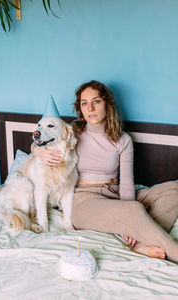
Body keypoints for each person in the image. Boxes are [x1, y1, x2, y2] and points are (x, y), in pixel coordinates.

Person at [34, 80, 178, 263]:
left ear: (107, 103)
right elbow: (40, 139)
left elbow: (126, 182)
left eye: (96, 101)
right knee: (133, 210)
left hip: (114, 192)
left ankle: (140, 242)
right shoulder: (73, 132)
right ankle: (173, 249)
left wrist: (129, 218)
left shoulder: (123, 139)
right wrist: (38, 151)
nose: (90, 108)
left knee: (173, 190)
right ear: (80, 108)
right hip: (82, 200)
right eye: (84, 103)